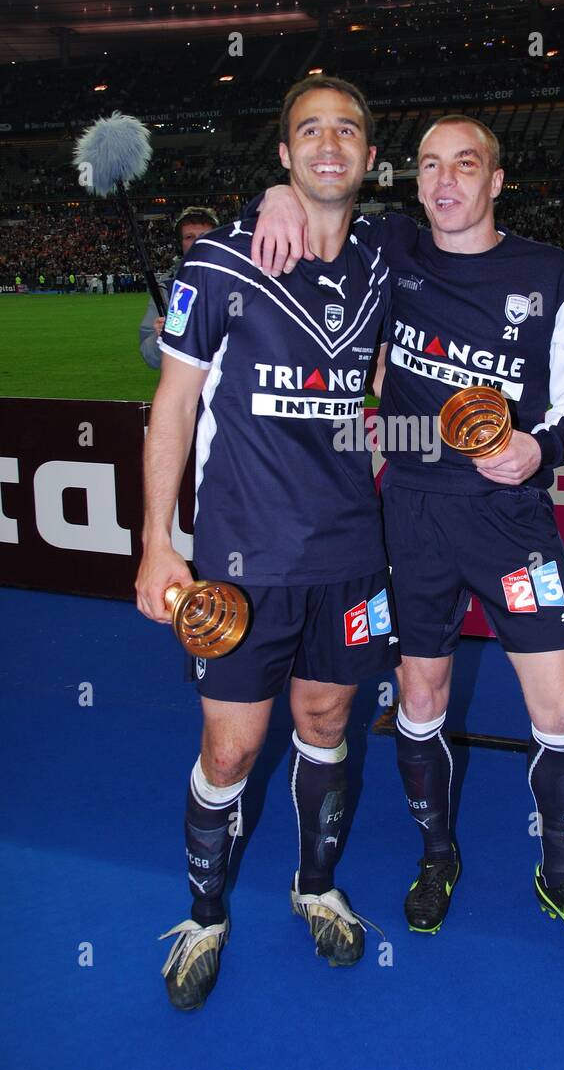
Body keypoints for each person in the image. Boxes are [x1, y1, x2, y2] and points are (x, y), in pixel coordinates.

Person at [249, 112, 564, 960]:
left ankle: (561, 875)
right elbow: (317, 195)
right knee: (418, 701)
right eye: (428, 166)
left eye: (466, 165)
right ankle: (437, 856)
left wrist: (539, 447)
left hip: (510, 516)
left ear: (496, 181)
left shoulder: (548, 271)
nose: (445, 181)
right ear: (413, 180)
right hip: (410, 511)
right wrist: (275, 190)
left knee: (561, 704)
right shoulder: (394, 250)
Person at [135, 77, 397, 1009]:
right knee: (234, 749)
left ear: (371, 156)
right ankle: (204, 913)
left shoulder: (385, 258)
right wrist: (159, 543)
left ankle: (315, 885)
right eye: (308, 133)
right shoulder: (218, 264)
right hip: (242, 564)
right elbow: (172, 405)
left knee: (328, 729)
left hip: (350, 557)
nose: (330, 145)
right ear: (283, 154)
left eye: (348, 131)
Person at [138, 207, 219, 368]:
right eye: (190, 237)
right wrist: (160, 338)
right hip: (189, 389)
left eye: (204, 236)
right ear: (179, 245)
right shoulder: (168, 291)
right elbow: (151, 358)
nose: (197, 242)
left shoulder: (239, 283)